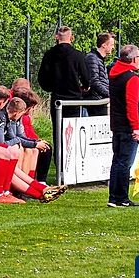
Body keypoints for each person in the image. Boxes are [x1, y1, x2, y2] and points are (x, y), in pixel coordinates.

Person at [37, 26, 91, 182]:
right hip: (74, 100)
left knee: (58, 134)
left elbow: (42, 79)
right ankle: (72, 169)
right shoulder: (78, 55)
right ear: (71, 38)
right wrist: (84, 88)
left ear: (56, 37)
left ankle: (60, 168)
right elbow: (86, 77)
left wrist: (51, 88)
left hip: (57, 99)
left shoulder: (49, 55)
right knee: (73, 135)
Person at [108, 44, 139, 207]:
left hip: (116, 123)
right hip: (127, 126)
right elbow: (132, 105)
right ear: (134, 59)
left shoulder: (114, 74)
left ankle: (113, 197)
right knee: (125, 163)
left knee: (117, 161)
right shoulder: (131, 78)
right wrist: (136, 127)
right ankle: (121, 198)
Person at [84, 32, 115, 115]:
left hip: (100, 99)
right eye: (111, 45)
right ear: (104, 45)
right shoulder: (92, 58)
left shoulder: (98, 59)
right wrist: (109, 94)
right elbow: (94, 81)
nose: (113, 47)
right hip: (96, 101)